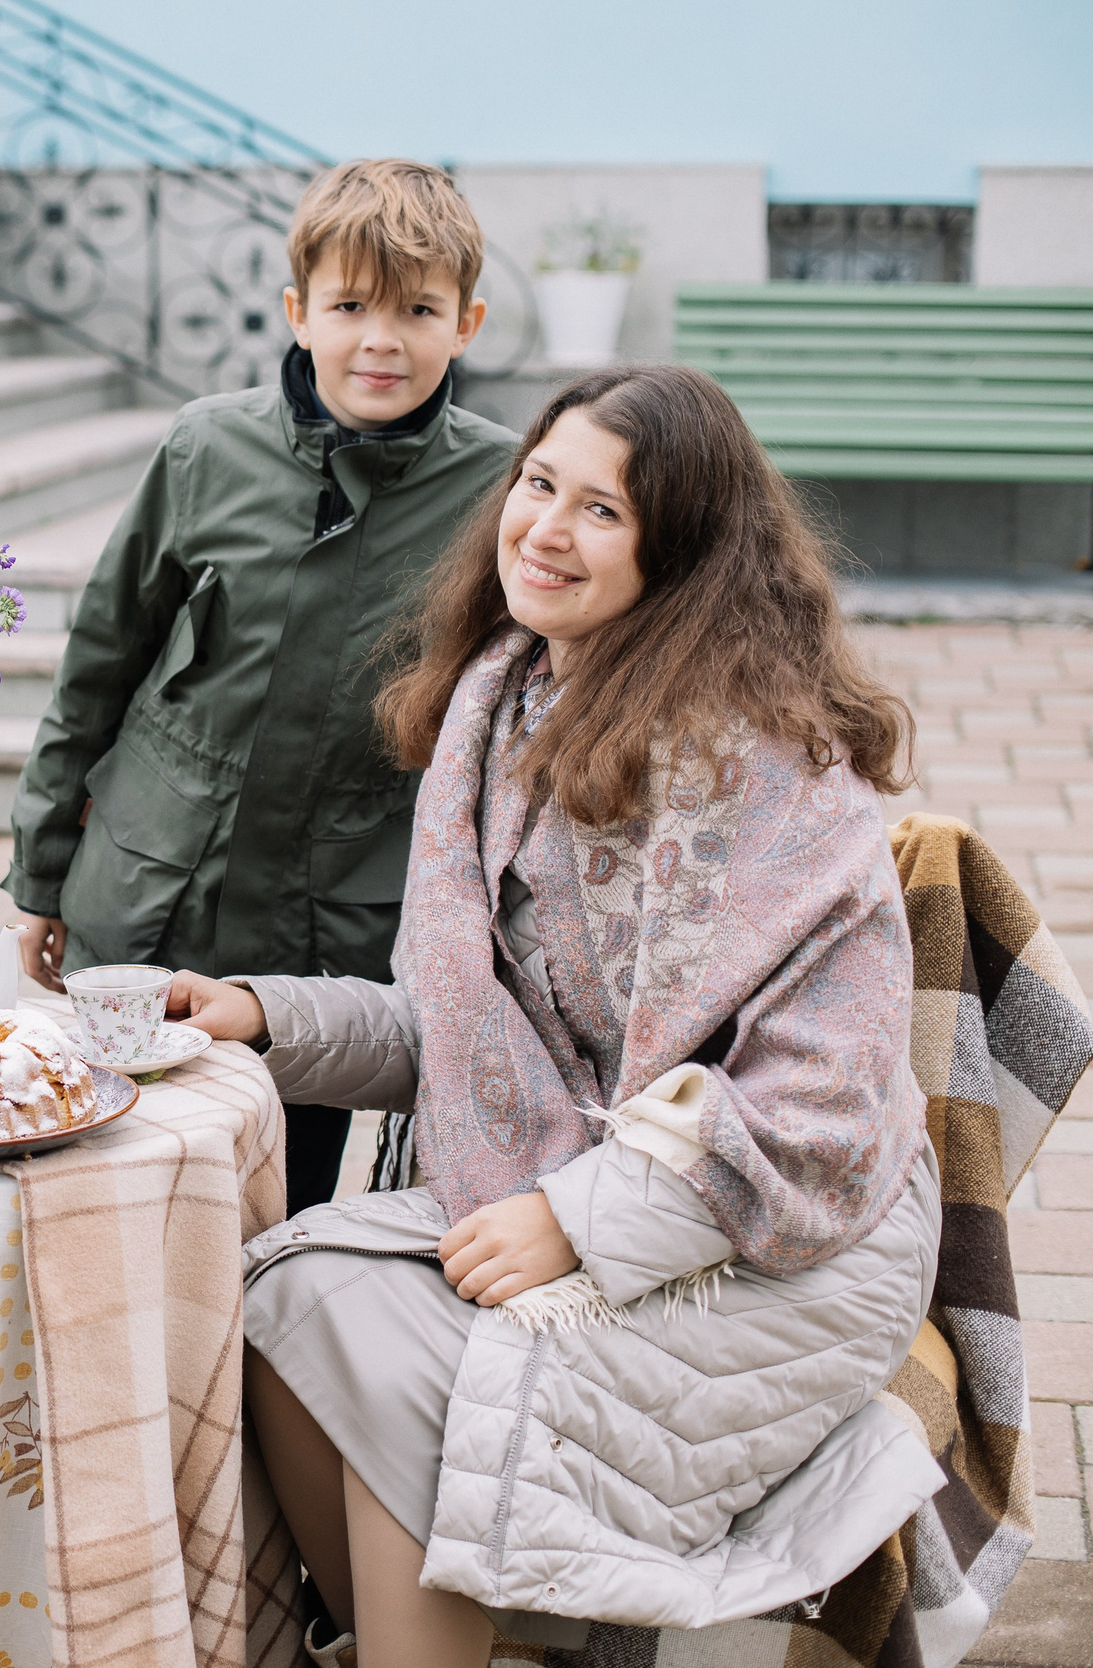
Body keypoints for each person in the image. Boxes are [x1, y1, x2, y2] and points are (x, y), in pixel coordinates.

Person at [170, 365, 941, 1664]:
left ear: (681, 551)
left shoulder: (759, 770)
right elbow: (451, 1028)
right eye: (540, 484)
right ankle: (400, 1636)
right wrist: (259, 1015)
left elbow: (819, 1126)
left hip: (782, 1243)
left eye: (602, 510)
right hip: (575, 1184)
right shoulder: (504, 701)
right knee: (280, 1300)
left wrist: (572, 1221)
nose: (544, 526)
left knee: (403, 1363)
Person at [4, 158, 515, 1215]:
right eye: (350, 306)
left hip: (327, 942)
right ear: (298, 312)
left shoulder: (501, 486)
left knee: (274, 1207)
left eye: (418, 309)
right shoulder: (204, 448)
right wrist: (39, 874)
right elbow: (101, 661)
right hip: (154, 896)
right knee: (101, 1182)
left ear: (465, 323)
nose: (382, 338)